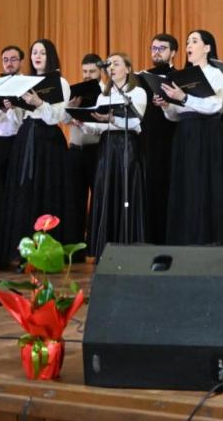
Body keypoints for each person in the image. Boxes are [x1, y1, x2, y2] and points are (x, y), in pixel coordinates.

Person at [0, 39, 71, 269]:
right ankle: (22, 251)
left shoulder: (60, 82)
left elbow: (57, 117)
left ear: (51, 56)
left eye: (42, 53)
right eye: (34, 52)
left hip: (48, 141)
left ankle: (46, 253)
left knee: (46, 190)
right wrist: (12, 108)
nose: (37, 56)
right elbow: (19, 119)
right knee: (24, 193)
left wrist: (39, 102)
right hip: (26, 138)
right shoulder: (25, 82)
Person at [154, 30, 223, 246]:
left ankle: (209, 239)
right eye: (188, 42)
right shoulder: (181, 76)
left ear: (207, 48)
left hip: (208, 133)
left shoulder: (216, 73)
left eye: (194, 41)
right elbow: (175, 115)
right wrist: (167, 105)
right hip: (185, 133)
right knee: (186, 185)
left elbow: (215, 105)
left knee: (206, 184)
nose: (189, 45)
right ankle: (185, 238)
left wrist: (184, 97)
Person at [77, 53, 148, 260]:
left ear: (128, 68)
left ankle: (129, 247)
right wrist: (82, 123)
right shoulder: (103, 96)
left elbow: (136, 122)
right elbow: (99, 128)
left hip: (127, 145)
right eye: (109, 65)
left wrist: (112, 118)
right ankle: (106, 249)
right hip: (107, 146)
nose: (112, 68)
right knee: (107, 191)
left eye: (116, 63)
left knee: (127, 191)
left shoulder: (138, 92)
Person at [139, 34, 178, 243]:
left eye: (162, 48)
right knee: (149, 189)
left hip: (173, 139)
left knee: (171, 188)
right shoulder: (142, 78)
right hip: (148, 140)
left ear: (173, 52)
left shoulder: (180, 77)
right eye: (153, 48)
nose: (156, 52)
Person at [65, 53, 104, 257]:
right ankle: (75, 250)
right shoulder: (76, 93)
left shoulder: (105, 93)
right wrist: (70, 109)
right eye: (85, 71)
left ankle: (95, 246)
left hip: (96, 150)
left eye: (92, 71)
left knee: (98, 199)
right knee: (73, 201)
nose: (87, 75)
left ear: (101, 71)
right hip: (75, 150)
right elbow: (63, 119)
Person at [0, 46, 25, 189]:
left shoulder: (27, 84)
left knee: (17, 183)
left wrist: (12, 109)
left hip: (19, 138)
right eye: (5, 60)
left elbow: (22, 120)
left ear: (21, 61)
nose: (9, 63)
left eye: (13, 59)